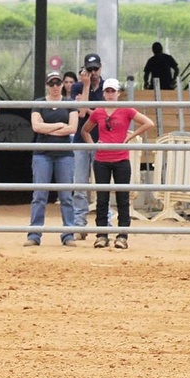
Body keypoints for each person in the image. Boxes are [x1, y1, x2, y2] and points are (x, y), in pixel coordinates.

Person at [80, 78, 155, 250]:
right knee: (102, 199)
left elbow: (148, 123)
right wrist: (93, 146)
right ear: (104, 93)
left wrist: (129, 137)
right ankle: (102, 235)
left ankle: (122, 235)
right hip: (102, 160)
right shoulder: (98, 112)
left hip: (121, 159)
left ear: (118, 93)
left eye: (113, 91)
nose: (110, 94)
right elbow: (85, 130)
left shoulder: (126, 109)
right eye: (107, 91)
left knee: (122, 198)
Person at [26, 71, 79, 247]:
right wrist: (58, 125)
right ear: (47, 86)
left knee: (66, 196)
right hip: (43, 154)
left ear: (62, 85)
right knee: (39, 195)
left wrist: (47, 128)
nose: (55, 87)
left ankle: (68, 234)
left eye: (58, 83)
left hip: (64, 154)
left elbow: (72, 128)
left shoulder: (70, 103)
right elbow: (36, 126)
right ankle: (34, 234)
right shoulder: (39, 103)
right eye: (52, 84)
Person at [67, 53, 104, 240]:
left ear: (100, 68)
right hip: (82, 141)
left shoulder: (108, 87)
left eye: (95, 69)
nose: (93, 73)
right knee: (79, 184)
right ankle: (80, 224)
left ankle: (104, 223)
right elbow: (81, 113)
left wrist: (91, 110)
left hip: (101, 141)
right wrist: (87, 86)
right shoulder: (77, 86)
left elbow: (108, 114)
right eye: (89, 70)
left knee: (101, 185)